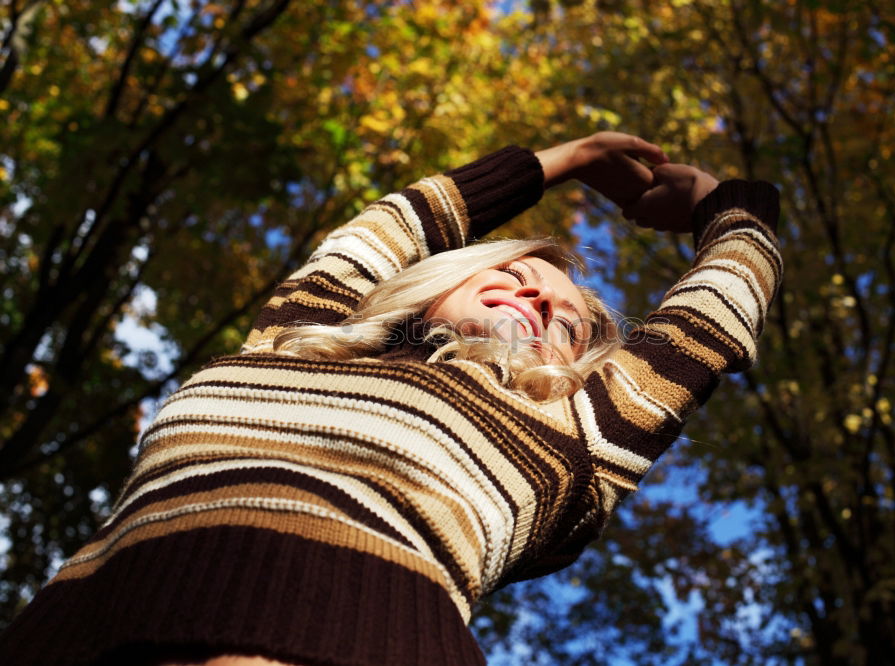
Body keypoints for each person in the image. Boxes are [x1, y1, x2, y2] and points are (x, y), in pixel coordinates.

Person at [0, 132, 782, 665]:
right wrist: (567, 159)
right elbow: (385, 226)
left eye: (567, 316)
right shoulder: (295, 339)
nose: (539, 298)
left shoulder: (577, 429)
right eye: (512, 273)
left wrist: (726, 204)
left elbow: (713, 317)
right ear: (439, 285)